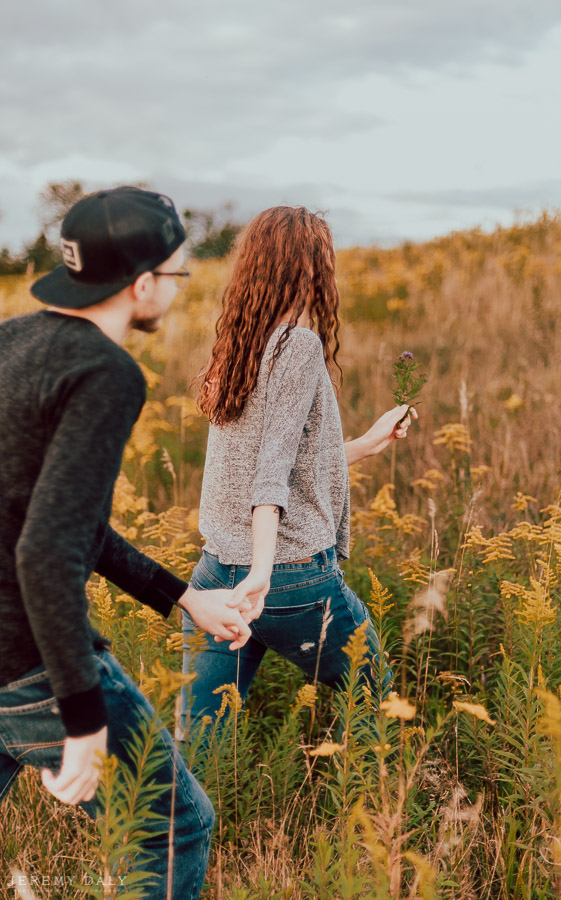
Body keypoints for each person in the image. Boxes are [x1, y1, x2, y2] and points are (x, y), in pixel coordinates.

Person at [0, 187, 257, 898]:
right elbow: (46, 549)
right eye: (178, 275)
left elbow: (51, 516)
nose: (177, 289)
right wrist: (82, 721)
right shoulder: (106, 372)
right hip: (27, 661)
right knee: (170, 828)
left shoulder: (9, 340)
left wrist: (183, 598)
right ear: (142, 284)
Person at [181, 205, 417, 734]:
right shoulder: (300, 346)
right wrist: (263, 575)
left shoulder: (238, 346)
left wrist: (368, 442)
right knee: (381, 709)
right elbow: (268, 478)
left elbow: (282, 465)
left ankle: (176, 819)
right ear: (310, 268)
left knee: (196, 739)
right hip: (287, 579)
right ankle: (402, 810)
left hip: (217, 575)